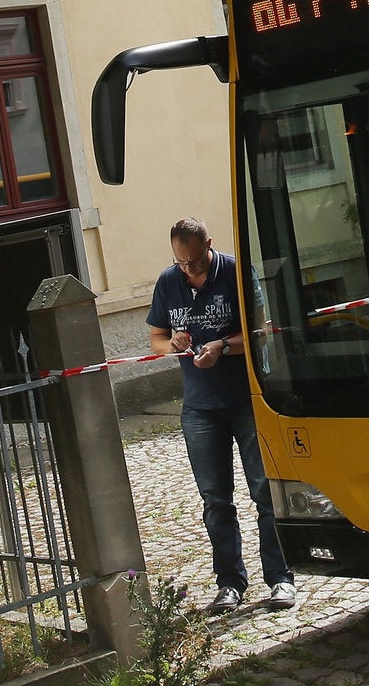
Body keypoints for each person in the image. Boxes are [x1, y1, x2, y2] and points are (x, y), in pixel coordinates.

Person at [147, 217, 295, 613]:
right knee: (215, 500)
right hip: (199, 408)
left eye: (194, 262)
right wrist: (173, 345)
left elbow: (260, 331)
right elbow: (156, 338)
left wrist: (222, 347)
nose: (189, 270)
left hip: (247, 399)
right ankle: (229, 584)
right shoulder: (168, 282)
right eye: (181, 263)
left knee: (264, 493)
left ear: (208, 245)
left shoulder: (235, 272)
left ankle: (280, 579)